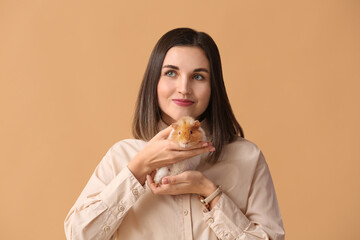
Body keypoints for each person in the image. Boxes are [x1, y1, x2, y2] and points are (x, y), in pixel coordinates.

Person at [64, 28, 285, 240]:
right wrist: (138, 169)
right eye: (171, 73)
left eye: (198, 76)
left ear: (213, 86)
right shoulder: (122, 156)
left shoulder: (247, 157)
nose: (184, 88)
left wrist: (209, 191)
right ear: (154, 81)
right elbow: (78, 236)